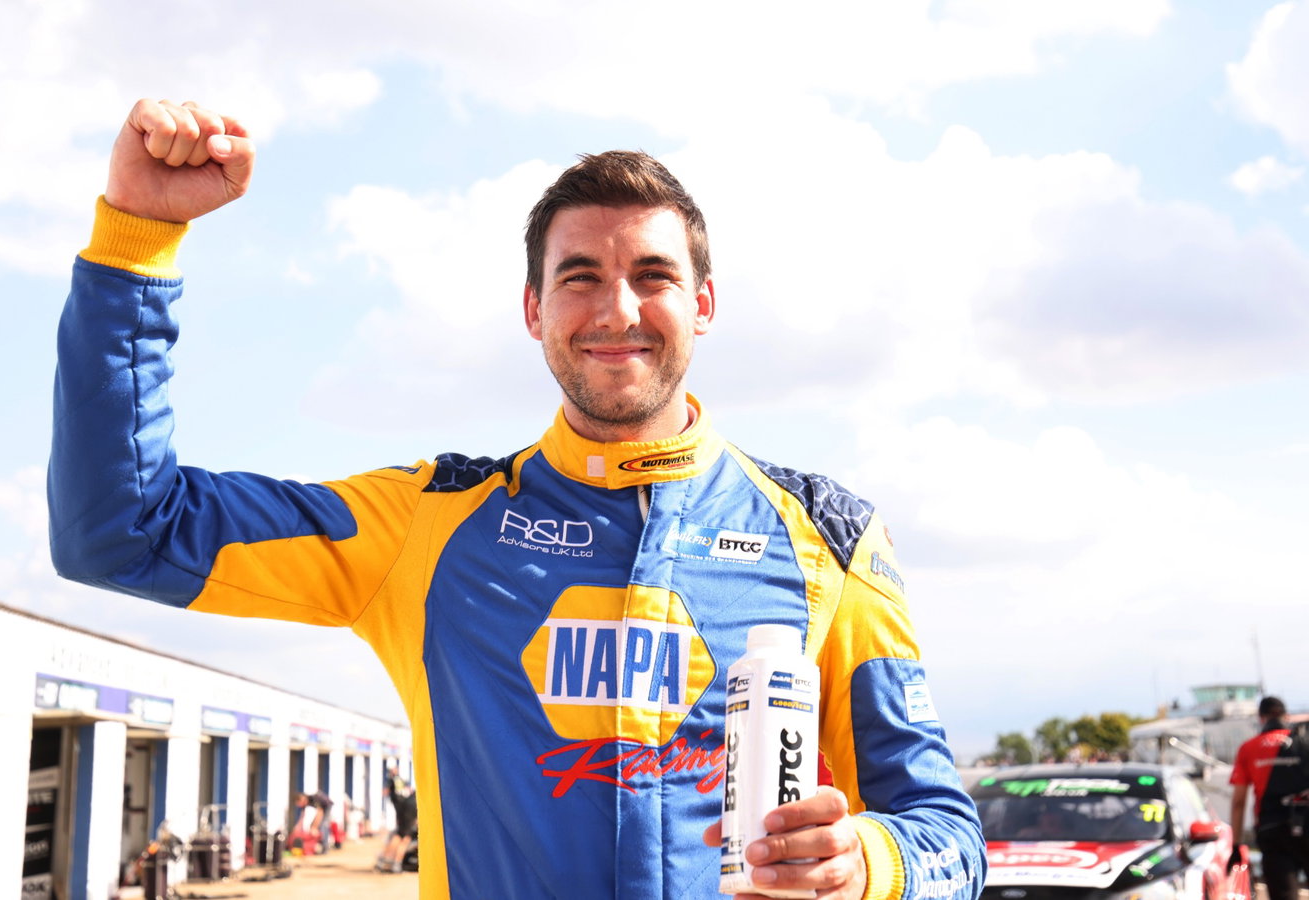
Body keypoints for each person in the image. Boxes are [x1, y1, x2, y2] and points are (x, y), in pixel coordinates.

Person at [49, 98, 986, 900]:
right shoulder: (428, 525)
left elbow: (949, 838)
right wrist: (137, 236)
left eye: (653, 275)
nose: (617, 309)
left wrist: (868, 860)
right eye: (580, 277)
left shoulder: (829, 541)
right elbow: (123, 531)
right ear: (534, 309)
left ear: (704, 304)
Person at [1231, 696, 1309, 900]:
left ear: (1261, 718)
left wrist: (1236, 844)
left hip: (1272, 831)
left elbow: (1238, 802)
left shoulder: (1248, 748)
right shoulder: (1304, 742)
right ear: (1286, 716)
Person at [376, 777, 419, 874]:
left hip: (404, 815)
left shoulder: (395, 795)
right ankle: (396, 863)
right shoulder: (407, 794)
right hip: (408, 816)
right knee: (404, 841)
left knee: (398, 837)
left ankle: (384, 860)